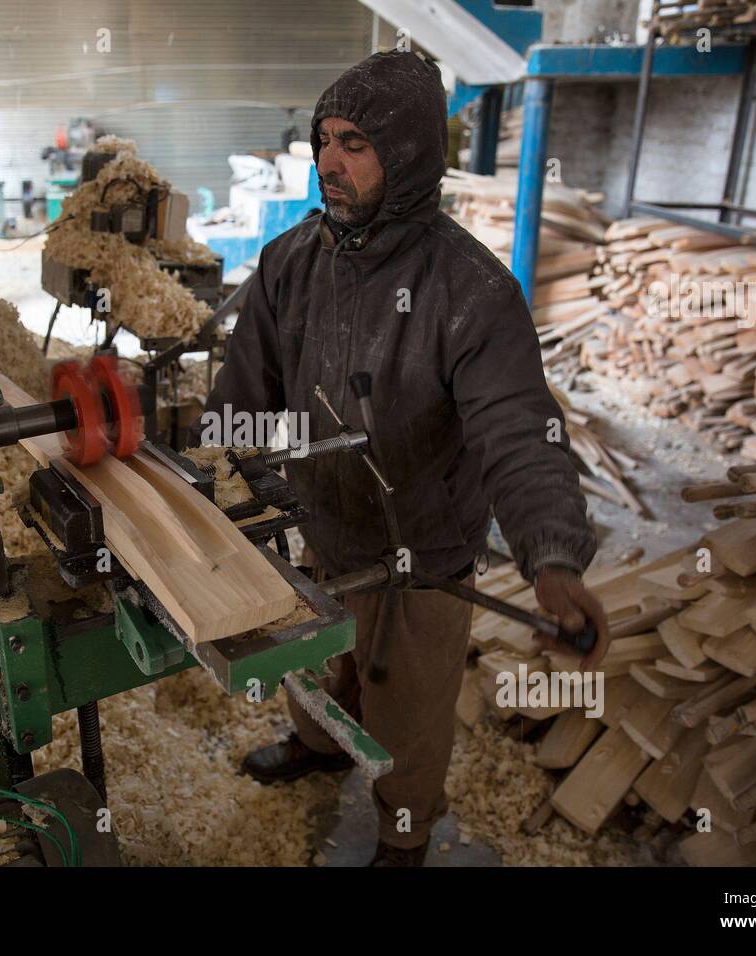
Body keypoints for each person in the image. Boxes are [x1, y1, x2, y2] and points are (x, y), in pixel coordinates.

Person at [194, 50, 609, 866]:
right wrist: (230, 485)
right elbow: (245, 394)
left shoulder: (470, 291)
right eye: (323, 139)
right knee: (317, 663)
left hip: (425, 548)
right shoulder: (290, 262)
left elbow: (519, 430)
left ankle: (402, 831)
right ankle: (314, 744)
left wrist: (552, 556)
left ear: (410, 153)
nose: (329, 162)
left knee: (408, 709)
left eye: (355, 143)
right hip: (325, 519)